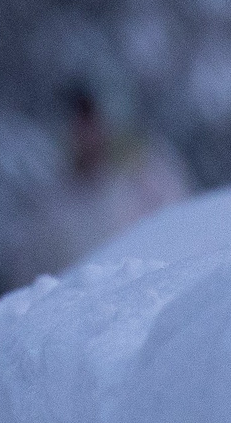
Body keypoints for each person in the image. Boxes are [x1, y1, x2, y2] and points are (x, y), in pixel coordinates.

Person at [13, 82, 194, 282]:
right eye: (77, 123)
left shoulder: (146, 173)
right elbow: (31, 275)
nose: (85, 133)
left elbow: (183, 229)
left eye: (90, 119)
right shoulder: (50, 201)